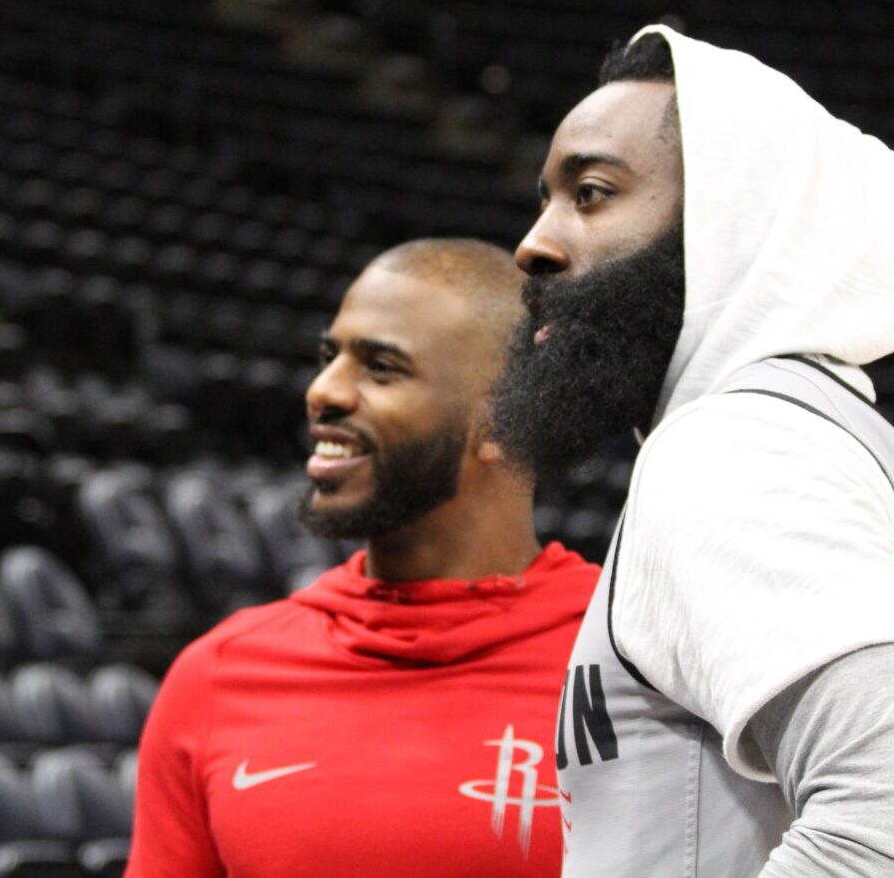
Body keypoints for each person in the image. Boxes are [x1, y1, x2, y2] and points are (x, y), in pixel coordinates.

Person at [489, 25, 894, 877]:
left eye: (591, 193)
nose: (534, 241)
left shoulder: (734, 450)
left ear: (729, 221)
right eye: (547, 197)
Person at [124, 238, 600, 878]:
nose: (323, 391)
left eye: (381, 368)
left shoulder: (629, 662)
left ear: (502, 425)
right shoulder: (216, 677)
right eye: (329, 357)